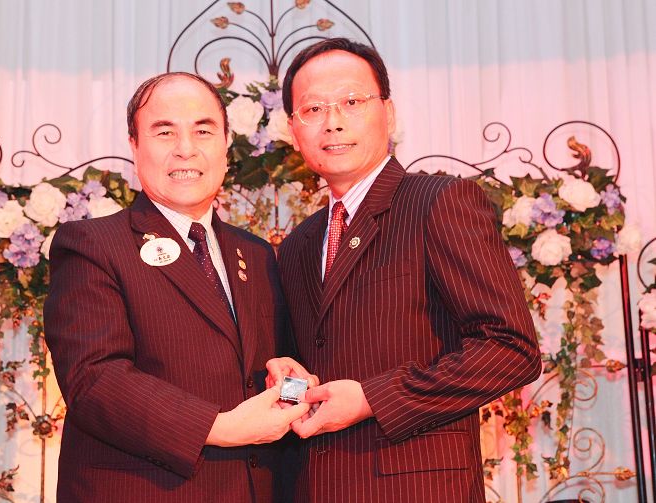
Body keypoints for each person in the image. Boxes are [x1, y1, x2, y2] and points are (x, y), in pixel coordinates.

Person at [267, 38, 542, 502]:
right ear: (293, 130)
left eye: (352, 101)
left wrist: (372, 399)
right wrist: (288, 380)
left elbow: (512, 350)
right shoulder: (298, 245)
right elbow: (315, 368)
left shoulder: (439, 202)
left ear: (389, 113)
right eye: (313, 109)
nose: (333, 122)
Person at [44, 72, 310, 502]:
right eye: (165, 131)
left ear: (226, 145)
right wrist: (220, 427)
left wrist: (293, 386)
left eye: (203, 130)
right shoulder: (93, 245)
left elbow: (279, 365)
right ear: (134, 145)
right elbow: (94, 379)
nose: (186, 148)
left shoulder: (257, 253)